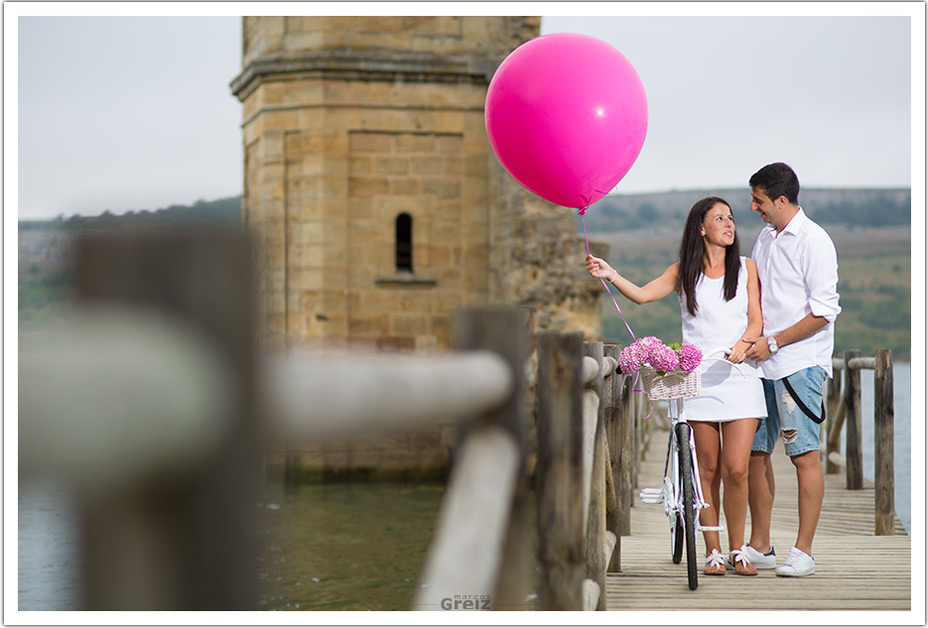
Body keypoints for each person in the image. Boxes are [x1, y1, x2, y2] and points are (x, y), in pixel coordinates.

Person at [586, 196, 766, 576]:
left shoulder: (747, 268)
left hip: (740, 377)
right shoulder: (683, 271)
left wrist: (742, 345)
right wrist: (610, 273)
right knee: (708, 469)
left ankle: (739, 550)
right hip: (697, 380)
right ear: (701, 229)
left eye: (731, 218)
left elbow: (756, 322)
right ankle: (713, 551)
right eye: (720, 218)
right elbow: (642, 295)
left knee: (737, 469)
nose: (729, 224)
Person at [742, 162, 841, 577]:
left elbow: (824, 311)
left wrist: (776, 342)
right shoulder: (766, 236)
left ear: (781, 200)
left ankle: (804, 552)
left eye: (759, 200)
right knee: (754, 453)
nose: (753, 207)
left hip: (799, 364)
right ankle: (761, 545)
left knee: (804, 455)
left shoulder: (815, 242)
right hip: (760, 363)